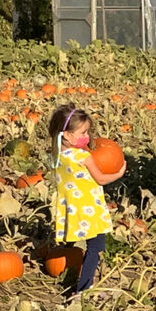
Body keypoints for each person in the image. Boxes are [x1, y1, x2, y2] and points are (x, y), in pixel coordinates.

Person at [48, 104, 127, 295]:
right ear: (66, 135)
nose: (88, 137)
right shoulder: (83, 156)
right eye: (83, 132)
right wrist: (119, 172)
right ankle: (83, 288)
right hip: (90, 209)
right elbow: (100, 178)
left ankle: (70, 270)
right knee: (96, 248)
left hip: (72, 209)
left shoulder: (57, 156)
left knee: (79, 242)